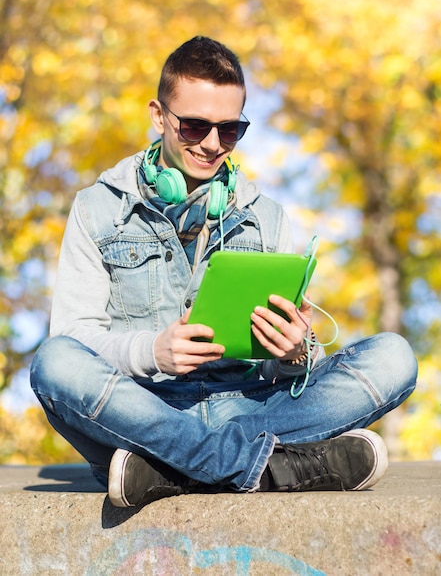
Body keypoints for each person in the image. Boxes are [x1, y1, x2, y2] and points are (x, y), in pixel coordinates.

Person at [30, 36, 417, 508]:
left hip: (250, 405)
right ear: (158, 115)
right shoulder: (96, 209)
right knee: (54, 363)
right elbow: (74, 337)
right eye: (194, 126)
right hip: (144, 407)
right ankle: (272, 469)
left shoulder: (268, 217)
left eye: (229, 130)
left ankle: (169, 470)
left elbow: (282, 368)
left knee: (394, 357)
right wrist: (151, 351)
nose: (213, 145)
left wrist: (296, 352)